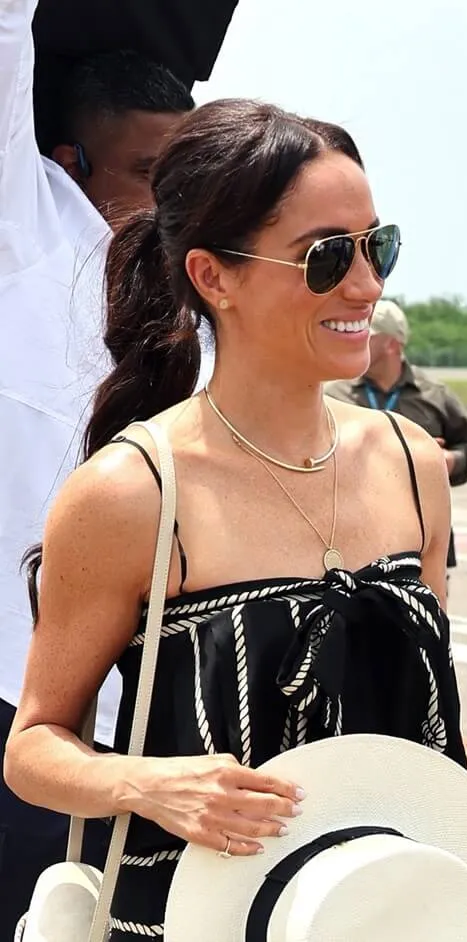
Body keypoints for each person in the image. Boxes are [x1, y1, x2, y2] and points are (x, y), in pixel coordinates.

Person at [2, 98, 467, 942]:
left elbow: (438, 744)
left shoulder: (414, 466)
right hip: (191, 920)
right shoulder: (132, 492)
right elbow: (34, 744)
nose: (366, 286)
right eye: (326, 256)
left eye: (378, 246)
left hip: (391, 910)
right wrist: (148, 785)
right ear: (213, 276)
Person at [0, 2, 194, 932]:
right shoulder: (26, 233)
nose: (164, 206)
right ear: (63, 166)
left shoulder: (188, 294)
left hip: (143, 705)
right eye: (146, 176)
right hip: (15, 695)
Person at [326, 300, 467, 598]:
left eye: (368, 332)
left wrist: (449, 461)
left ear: (392, 343)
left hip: (421, 542)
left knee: (426, 632)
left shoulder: (434, 396)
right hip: (351, 541)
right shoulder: (334, 395)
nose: (358, 335)